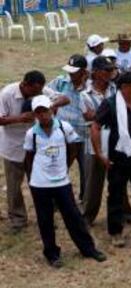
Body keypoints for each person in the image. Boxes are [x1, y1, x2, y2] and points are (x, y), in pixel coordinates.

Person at [23, 95, 106, 268]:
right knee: (45, 219)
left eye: (45, 111)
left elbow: (73, 149)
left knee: (73, 216)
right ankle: (52, 254)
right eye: (39, 112)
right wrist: (32, 179)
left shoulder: (63, 127)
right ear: (35, 115)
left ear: (51, 110)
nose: (43, 115)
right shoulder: (31, 134)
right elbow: (29, 157)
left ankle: (88, 249)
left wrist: (64, 167)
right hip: (40, 184)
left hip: (61, 182)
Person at [91, 72, 131, 247]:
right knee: (116, 195)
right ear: (125, 87)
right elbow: (96, 126)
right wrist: (99, 153)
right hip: (118, 158)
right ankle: (116, 232)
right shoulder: (110, 104)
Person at [0, 71, 68, 232]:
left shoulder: (41, 91)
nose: (37, 94)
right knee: (14, 187)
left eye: (40, 91)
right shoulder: (7, 94)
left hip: (37, 148)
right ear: (24, 85)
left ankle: (45, 217)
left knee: (41, 185)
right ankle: (18, 219)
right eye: (34, 91)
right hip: (13, 147)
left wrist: (51, 105)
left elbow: (65, 98)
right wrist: (19, 118)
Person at [49, 54, 89, 201]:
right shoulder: (60, 82)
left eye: (75, 71)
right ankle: (57, 200)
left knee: (87, 171)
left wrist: (83, 86)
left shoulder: (91, 85)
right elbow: (44, 94)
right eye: (70, 71)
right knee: (60, 168)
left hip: (86, 135)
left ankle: (85, 199)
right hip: (63, 134)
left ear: (84, 71)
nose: (71, 74)